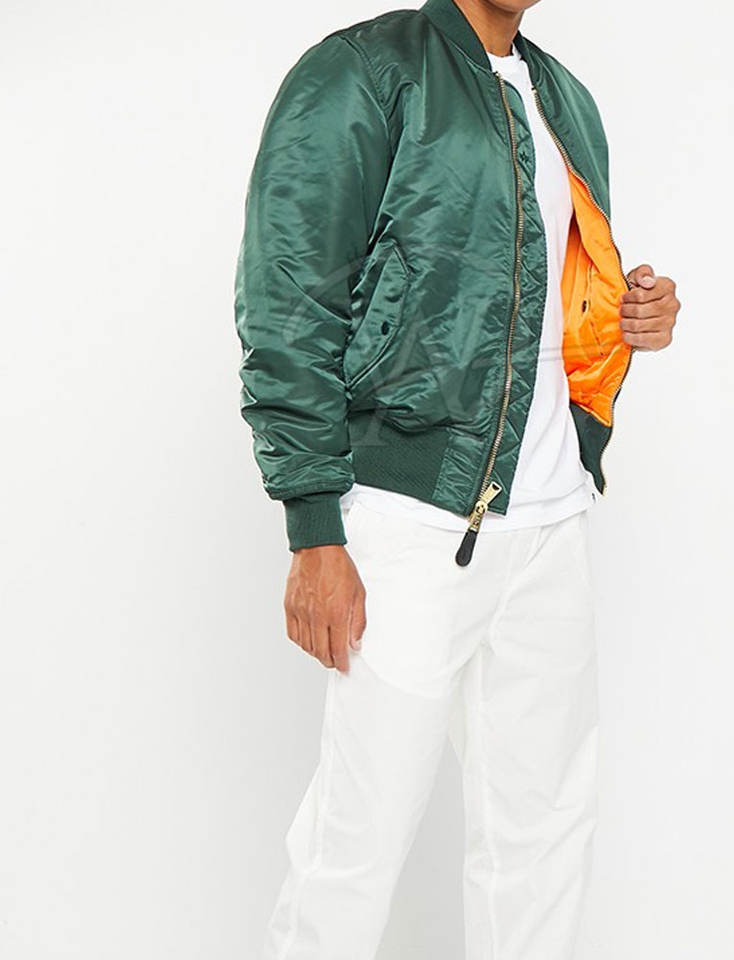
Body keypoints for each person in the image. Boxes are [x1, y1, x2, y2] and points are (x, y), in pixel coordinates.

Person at [234, 0, 680, 956]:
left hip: (551, 522)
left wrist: (632, 319)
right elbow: (287, 298)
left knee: (543, 839)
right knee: (356, 843)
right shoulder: (363, 70)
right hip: (408, 523)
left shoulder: (566, 99)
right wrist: (314, 526)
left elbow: (543, 297)